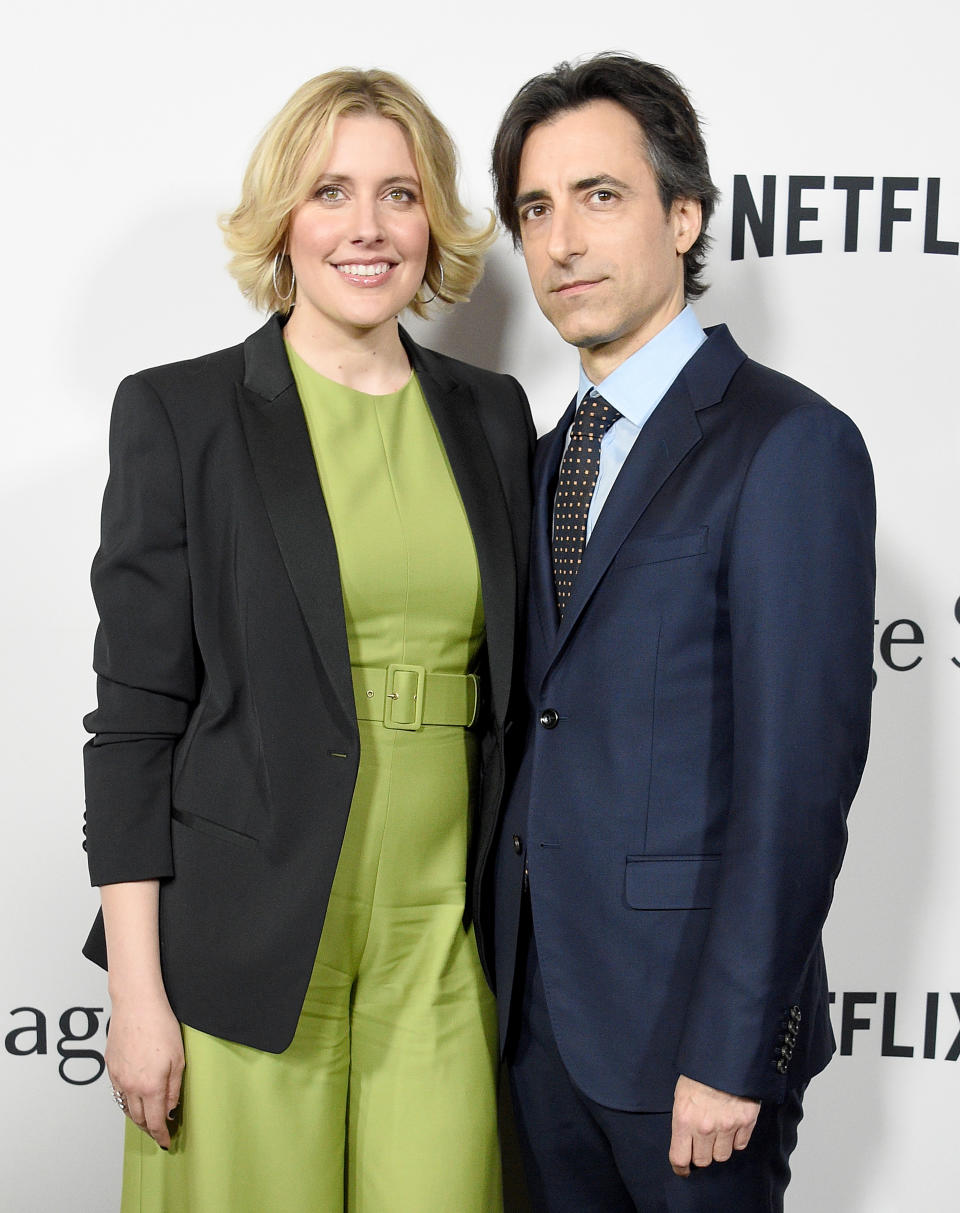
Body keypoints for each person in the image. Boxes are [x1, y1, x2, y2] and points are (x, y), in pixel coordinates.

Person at [82, 67, 534, 1212]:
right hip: (240, 950)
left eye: (399, 193)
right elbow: (135, 723)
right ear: (284, 216)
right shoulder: (179, 414)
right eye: (330, 191)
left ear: (434, 216)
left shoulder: (493, 417)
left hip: (441, 946)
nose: (368, 227)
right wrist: (139, 995)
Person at [483, 54, 876, 1211]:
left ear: (685, 213)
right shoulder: (543, 461)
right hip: (533, 1028)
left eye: (601, 196)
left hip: (692, 1050)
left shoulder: (787, 444)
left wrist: (733, 1044)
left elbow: (798, 781)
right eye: (536, 210)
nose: (562, 243)